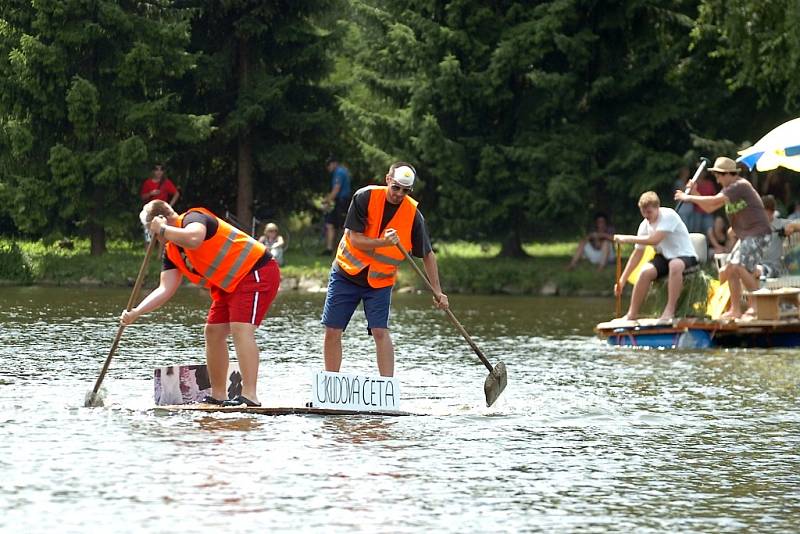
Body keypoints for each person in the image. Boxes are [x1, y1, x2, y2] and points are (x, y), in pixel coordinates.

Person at [121, 200, 280, 407]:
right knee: (212, 333)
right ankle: (218, 395)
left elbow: (194, 238)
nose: (154, 237)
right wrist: (136, 312)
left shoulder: (193, 218)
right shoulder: (172, 252)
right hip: (229, 285)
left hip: (256, 271)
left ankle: (250, 396)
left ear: (161, 221)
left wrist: (163, 229)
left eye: (151, 232)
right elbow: (165, 289)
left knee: (241, 329)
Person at [321, 162, 448, 377]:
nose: (399, 194)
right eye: (396, 187)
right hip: (346, 273)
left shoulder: (413, 215)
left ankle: (387, 388)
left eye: (405, 190)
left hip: (379, 282)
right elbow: (355, 239)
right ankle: (331, 383)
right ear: (387, 180)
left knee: (380, 331)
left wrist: (437, 291)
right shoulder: (364, 197)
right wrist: (385, 242)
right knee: (333, 329)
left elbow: (427, 254)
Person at [675, 156, 772, 319]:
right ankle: (735, 310)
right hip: (746, 236)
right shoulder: (728, 190)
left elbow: (714, 200)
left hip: (758, 233)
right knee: (729, 269)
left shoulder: (739, 185)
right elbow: (709, 208)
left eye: (719, 176)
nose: (718, 180)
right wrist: (694, 192)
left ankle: (756, 305)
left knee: (739, 265)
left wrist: (688, 197)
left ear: (728, 174)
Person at [614, 191, 698, 322]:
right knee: (645, 271)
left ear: (657, 208)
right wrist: (622, 280)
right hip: (665, 257)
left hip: (685, 255)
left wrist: (627, 239)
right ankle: (631, 314)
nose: (646, 216)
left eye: (649, 212)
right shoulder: (644, 225)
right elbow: (637, 254)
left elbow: (654, 240)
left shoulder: (669, 215)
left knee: (674, 265)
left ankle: (669, 311)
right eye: (643, 212)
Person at [758, 195, 800, 278]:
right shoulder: (756, 225)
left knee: (757, 271)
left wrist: (792, 226)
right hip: (756, 264)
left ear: (771, 212)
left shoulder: (779, 224)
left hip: (773, 267)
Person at [322, 157, 352, 255]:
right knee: (330, 224)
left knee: (343, 226)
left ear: (334, 164)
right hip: (340, 201)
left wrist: (326, 200)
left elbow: (336, 189)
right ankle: (329, 249)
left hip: (342, 201)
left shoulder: (339, 172)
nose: (328, 168)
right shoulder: (342, 171)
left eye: (329, 165)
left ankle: (347, 250)